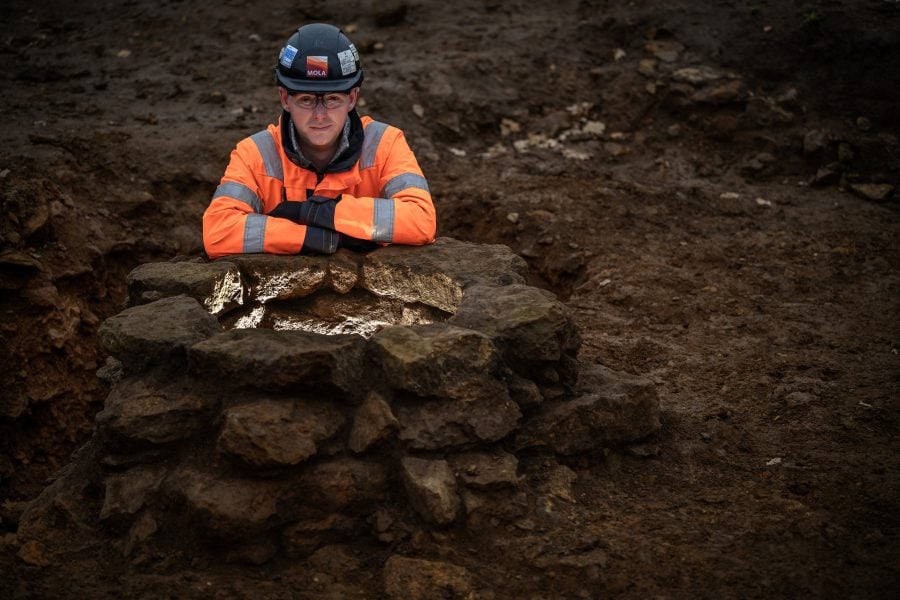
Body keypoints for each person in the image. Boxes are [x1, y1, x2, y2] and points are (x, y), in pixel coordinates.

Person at [203, 23, 436, 259]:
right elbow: (218, 232)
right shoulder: (255, 154)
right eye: (306, 99)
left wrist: (318, 213)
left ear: (352, 98)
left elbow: (421, 219)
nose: (320, 114)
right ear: (285, 98)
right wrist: (316, 238)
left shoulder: (385, 144)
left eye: (333, 99)